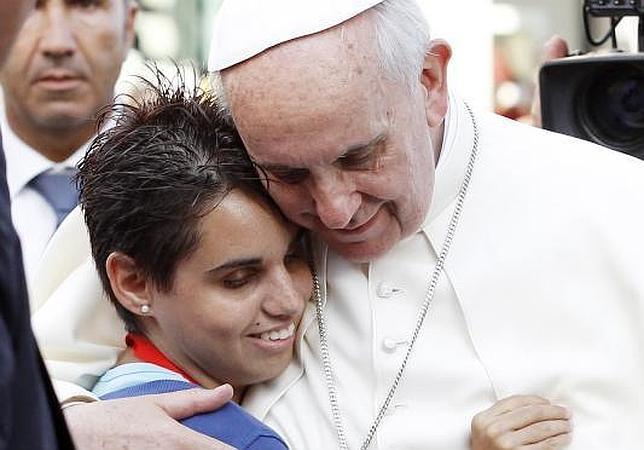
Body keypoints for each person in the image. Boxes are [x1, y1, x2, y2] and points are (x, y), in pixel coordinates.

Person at [33, 0, 644, 449]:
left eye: (359, 157)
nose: (333, 211)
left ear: (429, 82)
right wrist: (83, 429)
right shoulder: (220, 177)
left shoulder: (617, 204)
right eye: (288, 174)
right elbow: (43, 373)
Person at [76, 77, 311, 449]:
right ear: (134, 283)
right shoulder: (237, 441)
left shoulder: (84, 405)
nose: (288, 302)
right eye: (238, 279)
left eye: (296, 257)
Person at [0, 0, 137, 281]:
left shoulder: (207, 189)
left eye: (85, 4)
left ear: (128, 25)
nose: (57, 43)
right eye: (29, 8)